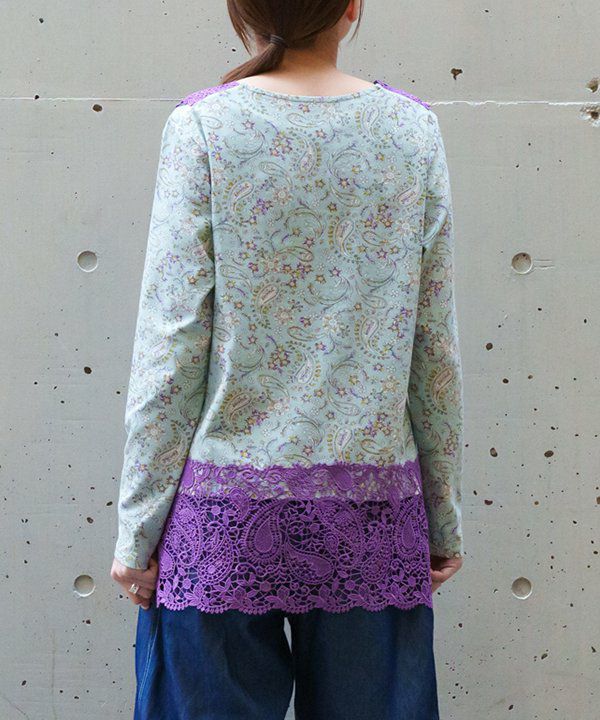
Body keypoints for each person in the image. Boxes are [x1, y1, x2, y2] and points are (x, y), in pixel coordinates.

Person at [110, 1, 465, 717]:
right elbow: (433, 351)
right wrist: (442, 517)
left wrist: (138, 530)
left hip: (223, 521)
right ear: (351, 7)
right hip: (373, 516)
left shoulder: (204, 127)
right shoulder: (411, 131)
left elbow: (172, 348)